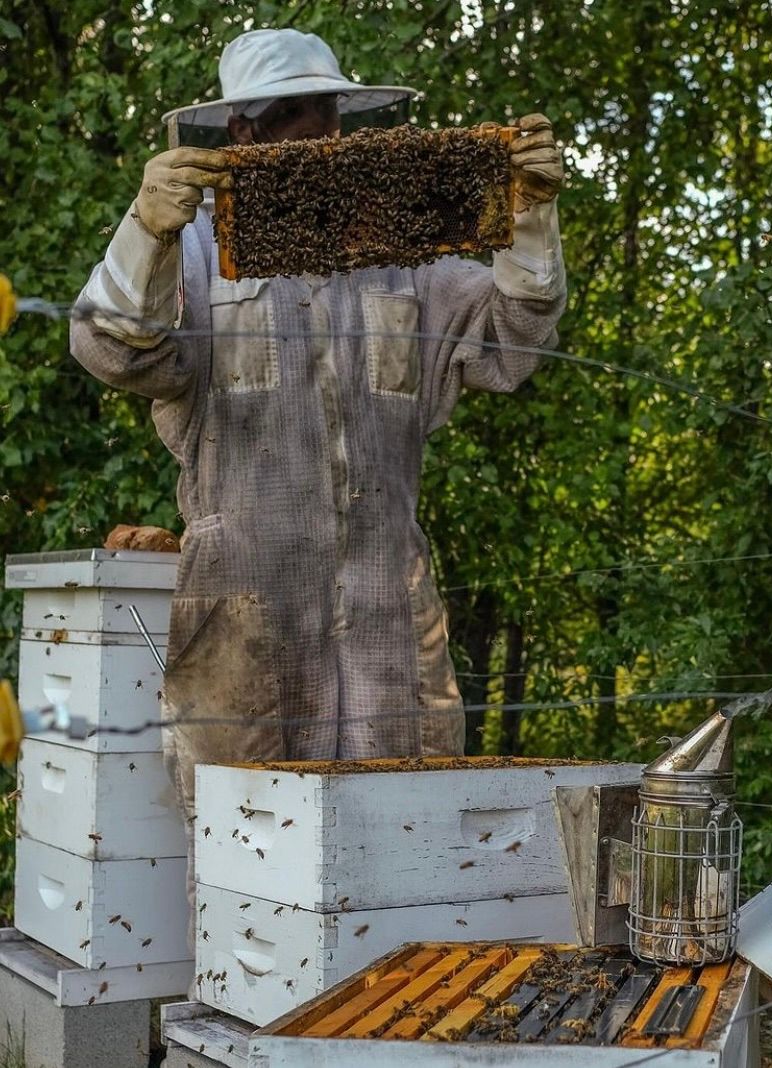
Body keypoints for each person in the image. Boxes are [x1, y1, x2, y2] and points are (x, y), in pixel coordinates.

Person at [70, 28, 566, 942]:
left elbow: (511, 339)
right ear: (242, 137)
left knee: (405, 854)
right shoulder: (192, 254)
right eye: (287, 116)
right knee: (247, 867)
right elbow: (108, 345)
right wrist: (142, 230)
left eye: (326, 111)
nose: (314, 133)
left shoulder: (408, 258)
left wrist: (530, 219)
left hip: (389, 614)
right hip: (243, 614)